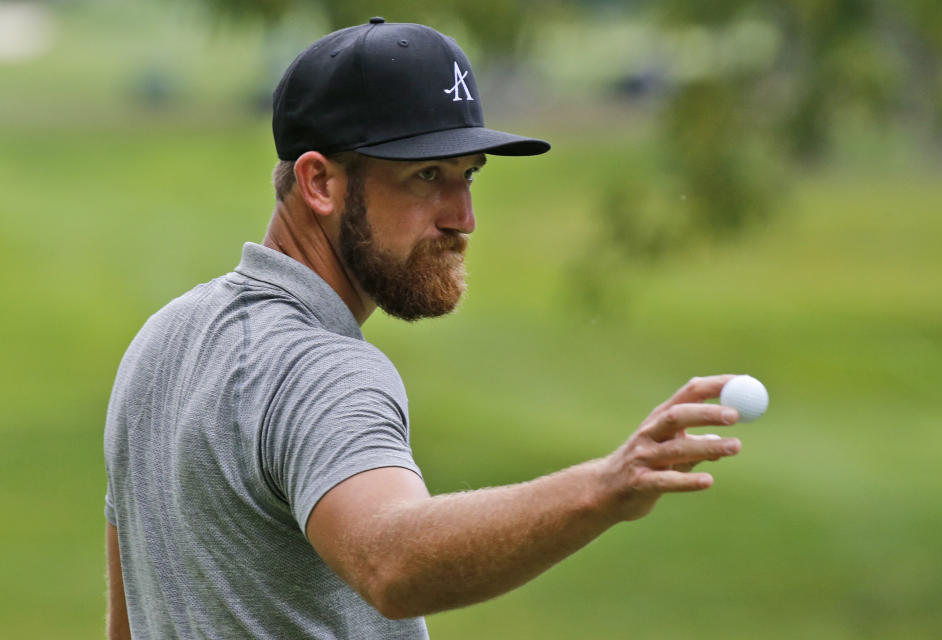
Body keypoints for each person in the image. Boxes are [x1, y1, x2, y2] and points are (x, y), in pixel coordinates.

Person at [103, 18, 743, 640]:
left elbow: (130, 619)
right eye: (426, 176)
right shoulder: (321, 371)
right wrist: (604, 488)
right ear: (319, 181)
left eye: (468, 176)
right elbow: (392, 561)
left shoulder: (163, 340)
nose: (462, 218)